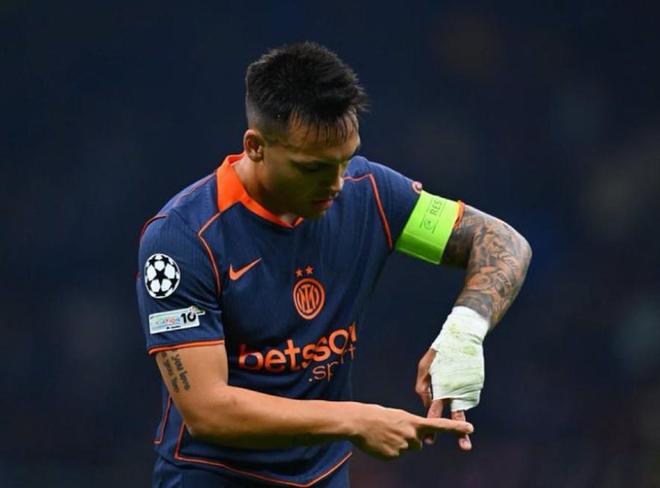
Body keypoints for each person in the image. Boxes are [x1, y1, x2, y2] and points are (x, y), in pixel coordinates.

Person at [136, 42, 532, 487]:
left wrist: (463, 334)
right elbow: (208, 412)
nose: (337, 184)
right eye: (313, 168)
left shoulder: (371, 193)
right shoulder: (182, 239)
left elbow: (503, 241)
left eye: (345, 161)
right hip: (214, 477)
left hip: (322, 477)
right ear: (256, 147)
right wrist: (355, 420)